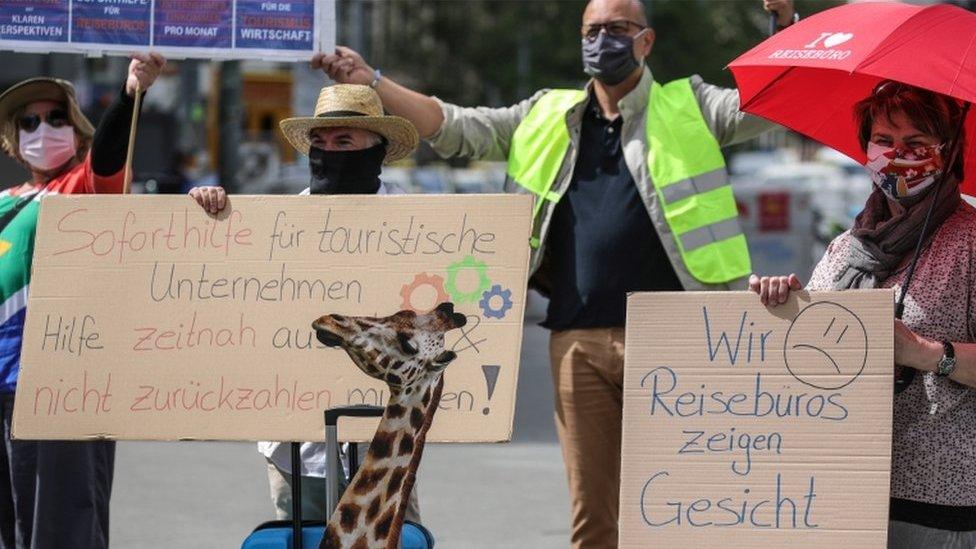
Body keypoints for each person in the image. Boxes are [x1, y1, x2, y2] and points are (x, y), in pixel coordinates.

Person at [317, 0, 795, 545]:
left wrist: (783, 34)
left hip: (681, 337)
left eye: (618, 28)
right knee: (593, 517)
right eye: (592, 30)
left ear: (647, 41)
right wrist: (373, 81)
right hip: (577, 341)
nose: (603, 40)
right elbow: (453, 126)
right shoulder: (545, 113)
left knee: (682, 506)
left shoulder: (692, 104)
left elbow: (769, 106)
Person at [750, 81, 976, 548]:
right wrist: (782, 306)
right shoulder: (847, 247)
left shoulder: (970, 242)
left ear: (949, 152)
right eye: (885, 140)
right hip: (839, 492)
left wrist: (925, 353)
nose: (898, 154)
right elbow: (801, 363)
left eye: (916, 143)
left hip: (937, 503)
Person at [188, 84, 423, 523]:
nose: (328, 152)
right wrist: (209, 214)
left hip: (384, 441)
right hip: (293, 445)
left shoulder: (416, 225)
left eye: (343, 142)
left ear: (376, 149)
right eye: (320, 142)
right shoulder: (276, 226)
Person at [0, 53, 165, 549]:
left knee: (60, 532)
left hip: (59, 392)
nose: (42, 129)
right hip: (2, 390)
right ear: (12, 138)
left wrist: (130, 95)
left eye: (56, 119)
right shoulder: (5, 201)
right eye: (29, 121)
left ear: (77, 130)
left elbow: (110, 159)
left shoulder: (81, 190)